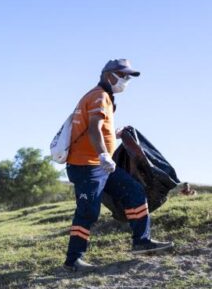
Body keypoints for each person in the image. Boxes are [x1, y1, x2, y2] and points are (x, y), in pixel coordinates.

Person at [64, 59, 172, 272]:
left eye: (128, 76)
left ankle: (141, 241)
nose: (126, 80)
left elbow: (96, 129)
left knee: (134, 191)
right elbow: (93, 128)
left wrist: (116, 134)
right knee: (88, 211)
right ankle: (73, 260)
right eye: (122, 75)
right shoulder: (99, 96)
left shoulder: (102, 96)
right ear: (108, 75)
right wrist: (104, 154)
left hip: (101, 165)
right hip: (87, 165)